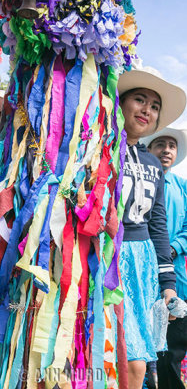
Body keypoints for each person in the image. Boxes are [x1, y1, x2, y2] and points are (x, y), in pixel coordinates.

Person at [117, 66, 186, 389]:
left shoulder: (152, 164)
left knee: (138, 362)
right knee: (115, 356)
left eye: (155, 106)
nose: (147, 110)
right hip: (105, 262)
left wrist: (167, 285)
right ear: (121, 103)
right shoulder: (98, 149)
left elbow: (158, 225)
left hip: (141, 267)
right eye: (139, 99)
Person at [142, 127, 187, 389]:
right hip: (140, 273)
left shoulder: (182, 188)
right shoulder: (137, 182)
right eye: (161, 144)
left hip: (176, 280)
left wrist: (172, 247)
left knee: (172, 350)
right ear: (149, 149)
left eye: (172, 145)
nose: (167, 150)